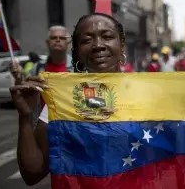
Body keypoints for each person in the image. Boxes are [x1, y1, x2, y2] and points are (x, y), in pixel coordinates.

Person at [9, 13, 127, 185]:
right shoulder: (64, 98)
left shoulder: (146, 94)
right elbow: (32, 173)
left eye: (107, 36)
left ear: (122, 45)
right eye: (87, 40)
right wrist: (25, 117)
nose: (98, 45)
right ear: (77, 53)